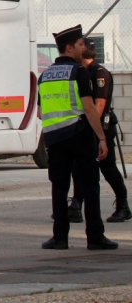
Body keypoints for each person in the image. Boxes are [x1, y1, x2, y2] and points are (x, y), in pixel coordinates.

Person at [39, 24, 118, 250]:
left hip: (54, 139)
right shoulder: (79, 72)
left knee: (59, 187)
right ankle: (95, 237)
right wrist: (101, 138)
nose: (85, 47)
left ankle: (59, 237)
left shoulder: (45, 76)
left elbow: (40, 111)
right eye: (81, 44)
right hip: (80, 135)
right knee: (90, 186)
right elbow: (90, 108)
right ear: (69, 47)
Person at [67, 44, 130, 223]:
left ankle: (123, 205)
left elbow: (99, 105)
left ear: (84, 51)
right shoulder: (81, 72)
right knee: (80, 167)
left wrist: (95, 130)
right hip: (85, 127)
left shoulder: (99, 73)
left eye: (78, 47)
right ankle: (76, 205)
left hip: (101, 128)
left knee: (107, 167)